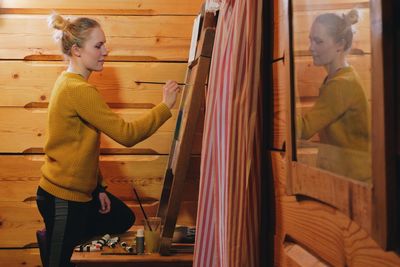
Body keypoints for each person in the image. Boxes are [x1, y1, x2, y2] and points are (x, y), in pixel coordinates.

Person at [36, 13, 180, 267]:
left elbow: (79, 145)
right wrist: (165, 106)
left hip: (82, 193)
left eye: (105, 44)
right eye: (98, 45)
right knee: (58, 263)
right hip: (62, 198)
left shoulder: (70, 82)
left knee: (121, 218)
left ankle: (64, 240)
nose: (106, 50)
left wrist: (98, 187)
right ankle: (57, 242)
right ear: (77, 50)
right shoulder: (78, 89)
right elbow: (126, 135)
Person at [297, 9, 371, 181]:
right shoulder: (340, 77)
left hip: (355, 182)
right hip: (346, 178)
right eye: (310, 40)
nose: (311, 47)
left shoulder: (341, 84)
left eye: (318, 41)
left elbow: (304, 129)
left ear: (340, 44)